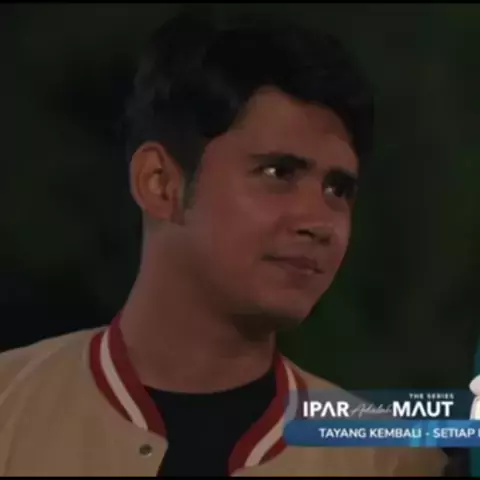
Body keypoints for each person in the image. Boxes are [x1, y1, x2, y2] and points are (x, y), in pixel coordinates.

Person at [0, 12, 446, 476]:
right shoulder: (10, 407)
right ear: (160, 183)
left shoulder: (390, 460)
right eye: (278, 173)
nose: (320, 222)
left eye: (338, 189)